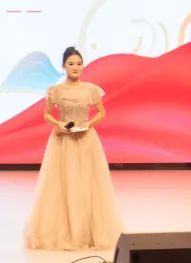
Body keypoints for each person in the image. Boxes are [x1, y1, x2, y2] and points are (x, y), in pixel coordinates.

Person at [25, 46, 123, 250]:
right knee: (63, 183)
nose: (75, 67)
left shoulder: (91, 89)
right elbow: (47, 114)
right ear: (63, 66)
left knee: (87, 183)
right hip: (63, 140)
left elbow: (101, 112)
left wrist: (88, 124)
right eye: (71, 64)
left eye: (79, 63)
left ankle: (87, 233)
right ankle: (65, 232)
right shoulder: (55, 90)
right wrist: (59, 124)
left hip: (86, 139)